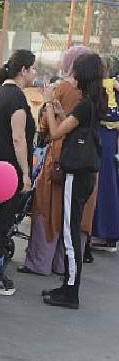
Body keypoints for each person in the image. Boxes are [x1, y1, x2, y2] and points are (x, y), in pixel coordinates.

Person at [19, 46, 97, 276]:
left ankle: (40, 262)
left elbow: (51, 130)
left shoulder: (64, 88)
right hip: (87, 162)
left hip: (61, 159)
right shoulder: (99, 97)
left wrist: (49, 104)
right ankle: (65, 266)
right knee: (76, 217)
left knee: (48, 207)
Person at [42, 52, 106, 309]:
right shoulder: (94, 102)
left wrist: (48, 104)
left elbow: (56, 133)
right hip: (86, 173)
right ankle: (68, 284)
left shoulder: (83, 105)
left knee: (69, 234)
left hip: (75, 174)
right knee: (72, 230)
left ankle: (71, 292)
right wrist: (59, 111)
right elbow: (69, 127)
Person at [0, 49, 37, 296]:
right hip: (9, 170)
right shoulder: (15, 98)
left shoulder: (0, 94)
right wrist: (26, 172)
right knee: (3, 222)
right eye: (33, 68)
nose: (35, 73)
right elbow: (18, 138)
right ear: (24, 70)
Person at [90, 62, 119, 252]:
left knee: (100, 186)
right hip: (111, 141)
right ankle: (108, 233)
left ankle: (101, 232)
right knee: (109, 185)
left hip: (101, 140)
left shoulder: (96, 89)